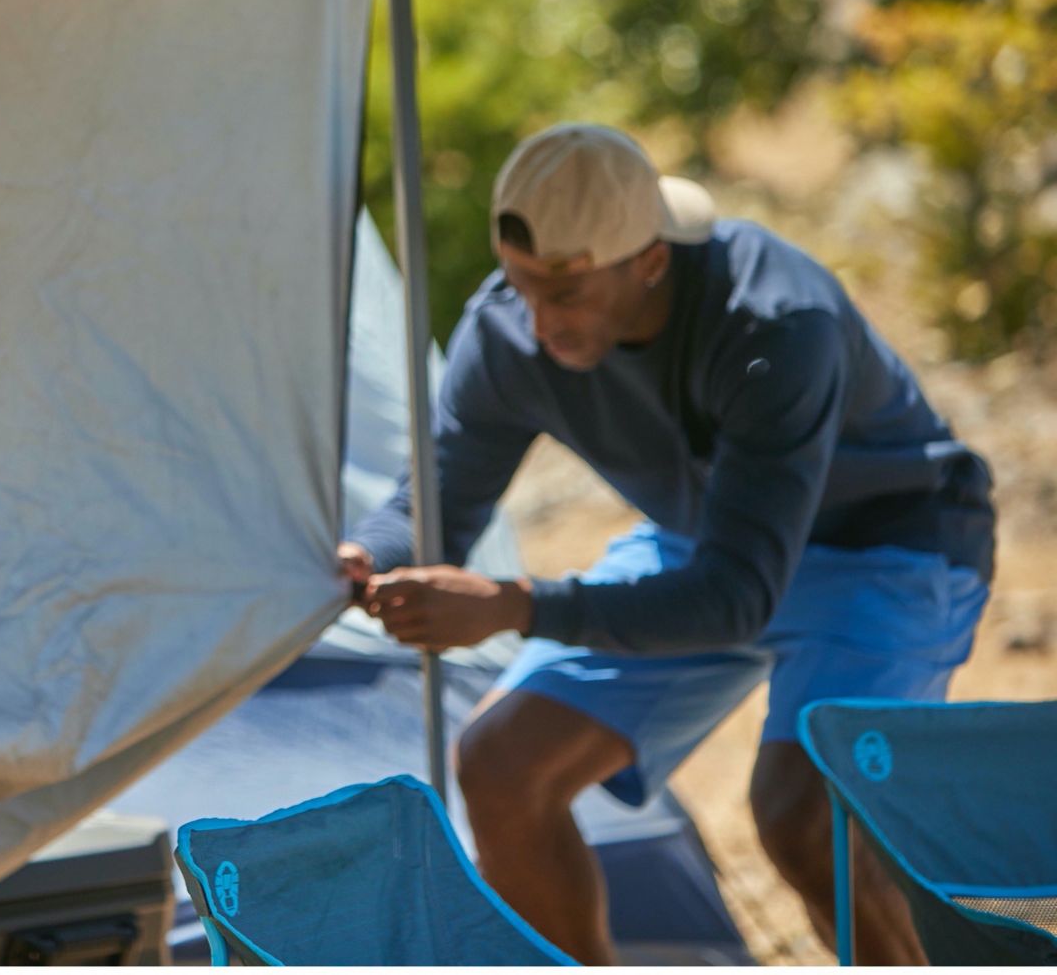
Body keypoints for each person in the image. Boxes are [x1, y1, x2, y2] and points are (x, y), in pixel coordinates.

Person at [339, 123, 993, 964]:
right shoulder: (508, 334)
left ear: (651, 262)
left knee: (805, 819)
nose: (537, 322)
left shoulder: (774, 327)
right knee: (502, 769)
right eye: (521, 284)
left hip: (890, 548)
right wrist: (367, 554)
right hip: (712, 539)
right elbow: (432, 508)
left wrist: (516, 606)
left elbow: (735, 598)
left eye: (565, 293)